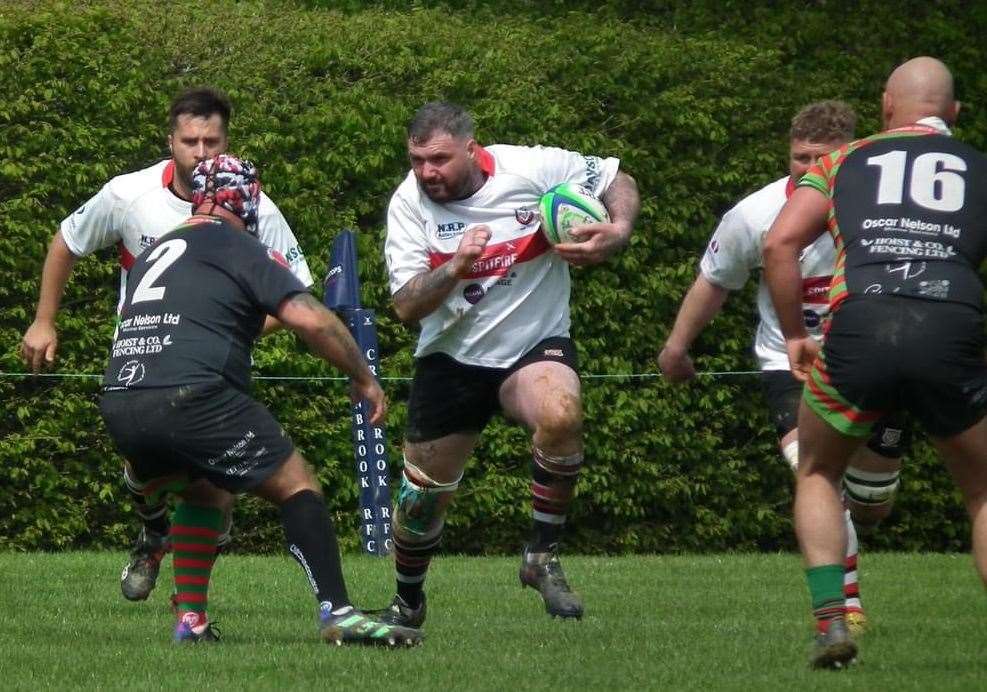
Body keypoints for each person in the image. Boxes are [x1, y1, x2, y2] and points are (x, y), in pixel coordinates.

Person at [98, 154, 422, 647]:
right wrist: (364, 377)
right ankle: (339, 612)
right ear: (245, 202)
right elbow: (310, 319)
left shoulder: (152, 254)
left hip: (121, 400)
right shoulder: (238, 246)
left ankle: (191, 620)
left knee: (207, 492)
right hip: (193, 396)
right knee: (297, 484)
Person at [20, 87, 313, 603]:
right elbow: (67, 241)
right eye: (190, 141)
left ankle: (190, 611)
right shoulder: (128, 195)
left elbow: (295, 289)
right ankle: (155, 531)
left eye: (212, 142)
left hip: (210, 365)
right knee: (144, 469)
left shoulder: (253, 204)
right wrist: (44, 322)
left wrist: (228, 331)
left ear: (227, 141)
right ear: (170, 141)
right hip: (139, 362)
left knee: (214, 490)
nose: (201, 153)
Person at [378, 101, 639, 627]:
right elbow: (406, 306)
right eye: (416, 160)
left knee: (561, 415)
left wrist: (620, 229)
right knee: (421, 500)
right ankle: (408, 604)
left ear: (472, 149)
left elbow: (617, 177)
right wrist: (455, 267)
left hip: (533, 345)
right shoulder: (408, 205)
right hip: (451, 357)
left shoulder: (532, 167)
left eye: (439, 159)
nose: (427, 172)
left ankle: (540, 558)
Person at [763, 57, 987, 668]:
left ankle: (832, 622)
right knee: (982, 494)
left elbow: (779, 243)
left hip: (860, 324)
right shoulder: (979, 167)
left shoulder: (841, 161)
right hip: (950, 325)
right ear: (954, 114)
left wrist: (793, 336)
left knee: (816, 473)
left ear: (887, 106)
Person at [658, 101, 907, 634]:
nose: (808, 166)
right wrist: (676, 347)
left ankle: (870, 499)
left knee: (872, 498)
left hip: (869, 360)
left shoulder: (883, 208)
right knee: (816, 476)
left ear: (849, 155)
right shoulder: (755, 213)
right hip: (788, 365)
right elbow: (713, 280)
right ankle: (844, 606)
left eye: (822, 157)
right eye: (799, 157)